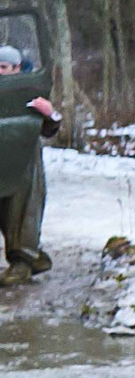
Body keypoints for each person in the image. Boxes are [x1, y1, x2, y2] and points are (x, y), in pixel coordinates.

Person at [0, 43, 60, 287]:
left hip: (24, 159)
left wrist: (49, 113)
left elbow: (49, 129)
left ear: (16, 68)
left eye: (3, 67)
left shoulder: (30, 89)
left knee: (21, 210)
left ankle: (23, 262)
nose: (0, 72)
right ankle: (33, 258)